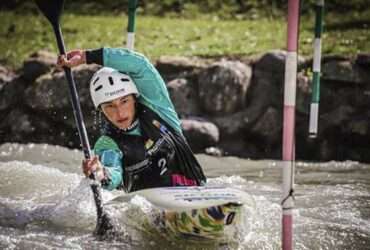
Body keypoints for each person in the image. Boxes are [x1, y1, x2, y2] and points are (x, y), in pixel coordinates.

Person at [57, 47, 206, 193]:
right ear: (100, 110)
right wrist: (100, 173)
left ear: (134, 98)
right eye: (110, 106)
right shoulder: (107, 142)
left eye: (124, 101)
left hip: (198, 193)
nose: (120, 113)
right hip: (152, 212)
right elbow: (113, 172)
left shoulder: (159, 109)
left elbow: (140, 65)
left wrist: (86, 56)